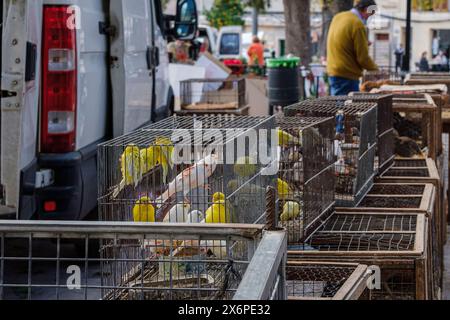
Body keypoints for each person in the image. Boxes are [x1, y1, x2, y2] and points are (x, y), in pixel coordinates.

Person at [326, 0, 379, 96]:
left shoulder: (338, 17)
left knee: (337, 107)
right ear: (366, 10)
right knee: (346, 109)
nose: (369, 18)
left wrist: (362, 43)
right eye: (370, 15)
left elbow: (342, 40)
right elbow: (363, 58)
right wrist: (376, 70)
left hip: (333, 70)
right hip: (347, 74)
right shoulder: (357, 24)